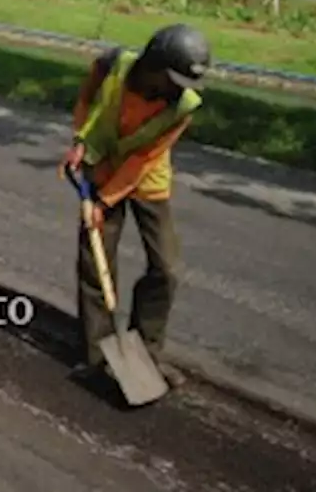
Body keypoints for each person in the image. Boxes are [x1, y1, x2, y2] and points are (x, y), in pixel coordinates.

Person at [62, 23, 211, 388]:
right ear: (152, 64)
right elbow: (87, 97)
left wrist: (105, 199)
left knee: (166, 266)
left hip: (145, 176)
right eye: (173, 79)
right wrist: (80, 138)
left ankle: (144, 351)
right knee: (96, 263)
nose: (179, 89)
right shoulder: (111, 64)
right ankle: (97, 355)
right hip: (102, 162)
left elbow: (143, 159)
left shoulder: (184, 106)